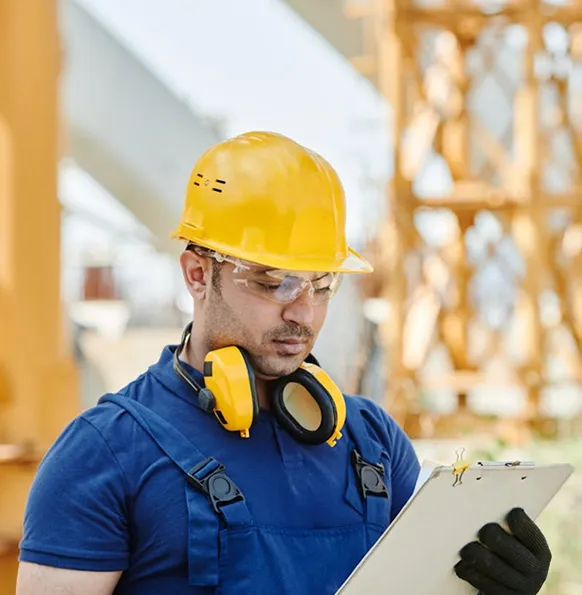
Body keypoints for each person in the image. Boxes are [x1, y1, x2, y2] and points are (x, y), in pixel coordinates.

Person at [17, 131, 552, 595]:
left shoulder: (373, 442)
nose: (303, 312)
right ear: (198, 274)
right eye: (274, 282)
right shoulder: (103, 453)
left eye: (322, 285)